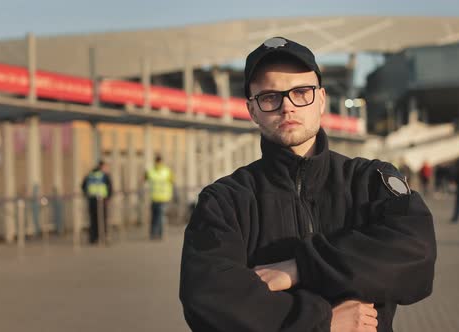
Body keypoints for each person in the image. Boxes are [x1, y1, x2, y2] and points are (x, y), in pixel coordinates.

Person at [179, 37, 436, 332]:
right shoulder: (225, 201)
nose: (287, 107)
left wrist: (300, 267)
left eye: (301, 92)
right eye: (270, 97)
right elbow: (208, 299)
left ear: (322, 99)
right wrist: (321, 322)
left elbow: (416, 254)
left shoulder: (370, 182)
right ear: (252, 111)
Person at [81, 160, 112, 244]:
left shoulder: (90, 175)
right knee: (102, 219)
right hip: (101, 200)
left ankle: (93, 238)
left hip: (91, 199)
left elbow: (83, 186)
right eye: (106, 167)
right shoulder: (104, 175)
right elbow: (110, 187)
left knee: (93, 219)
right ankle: (103, 237)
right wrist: (108, 197)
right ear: (102, 167)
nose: (107, 168)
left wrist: (87, 194)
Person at [145, 155, 174, 239]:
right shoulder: (166, 171)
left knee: (159, 216)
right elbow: (172, 182)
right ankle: (156, 234)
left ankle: (157, 234)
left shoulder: (152, 171)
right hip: (157, 197)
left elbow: (143, 180)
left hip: (162, 198)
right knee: (156, 216)